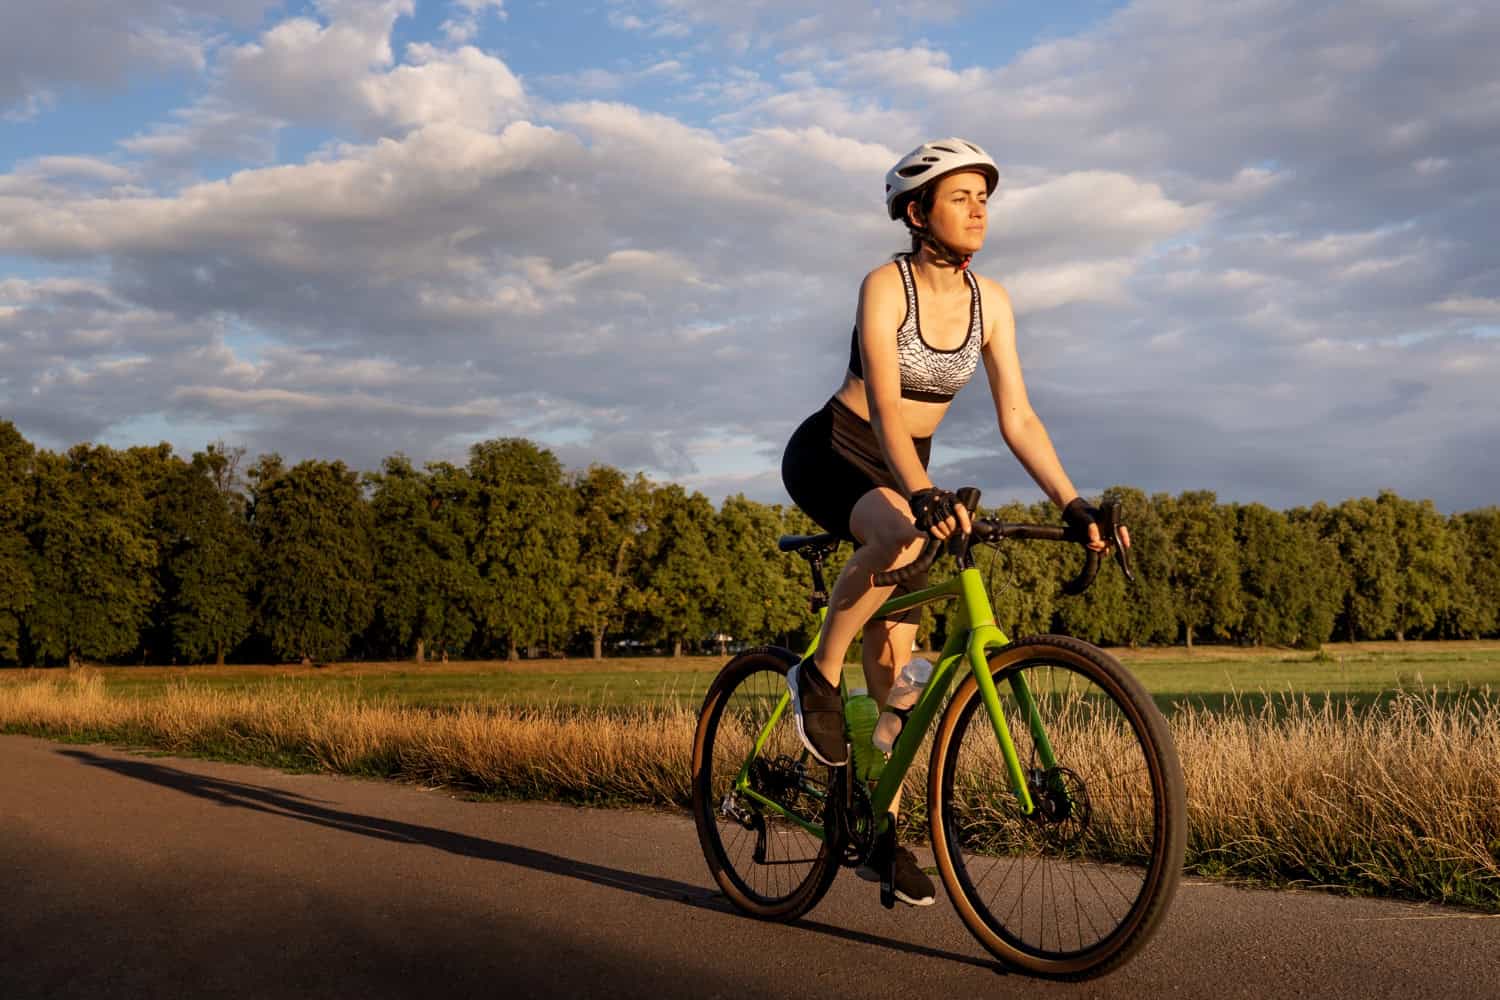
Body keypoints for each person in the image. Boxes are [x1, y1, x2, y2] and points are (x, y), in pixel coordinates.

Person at [779, 137, 1128, 906]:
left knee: (903, 675)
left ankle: (880, 834)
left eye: (984, 198)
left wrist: (1072, 504)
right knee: (903, 530)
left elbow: (1020, 417)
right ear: (917, 211)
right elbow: (879, 398)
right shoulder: (885, 284)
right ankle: (817, 675)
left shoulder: (990, 301)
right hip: (838, 452)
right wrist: (921, 491)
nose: (979, 210)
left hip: (910, 475)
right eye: (961, 197)